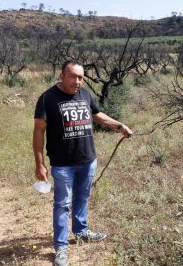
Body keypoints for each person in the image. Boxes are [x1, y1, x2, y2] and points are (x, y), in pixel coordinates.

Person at [33, 60, 133, 266]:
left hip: (88, 160)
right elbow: (38, 131)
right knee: (62, 205)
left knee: (82, 197)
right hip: (62, 164)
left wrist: (119, 125)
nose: (77, 81)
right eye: (72, 76)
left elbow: (97, 116)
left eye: (80, 77)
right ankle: (61, 248)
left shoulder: (85, 94)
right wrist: (40, 163)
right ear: (62, 75)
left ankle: (81, 232)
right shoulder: (47, 98)